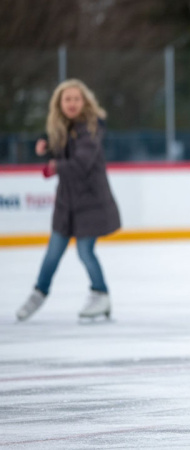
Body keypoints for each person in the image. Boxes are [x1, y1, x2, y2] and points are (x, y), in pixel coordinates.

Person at [16, 79, 121, 322]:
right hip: (67, 203)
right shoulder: (62, 127)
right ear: (59, 104)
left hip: (91, 203)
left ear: (84, 102)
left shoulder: (91, 128)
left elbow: (81, 161)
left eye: (76, 99)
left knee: (85, 251)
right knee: (53, 252)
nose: (72, 103)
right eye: (67, 99)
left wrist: (54, 166)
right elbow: (64, 146)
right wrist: (46, 145)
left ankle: (101, 293)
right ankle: (38, 293)